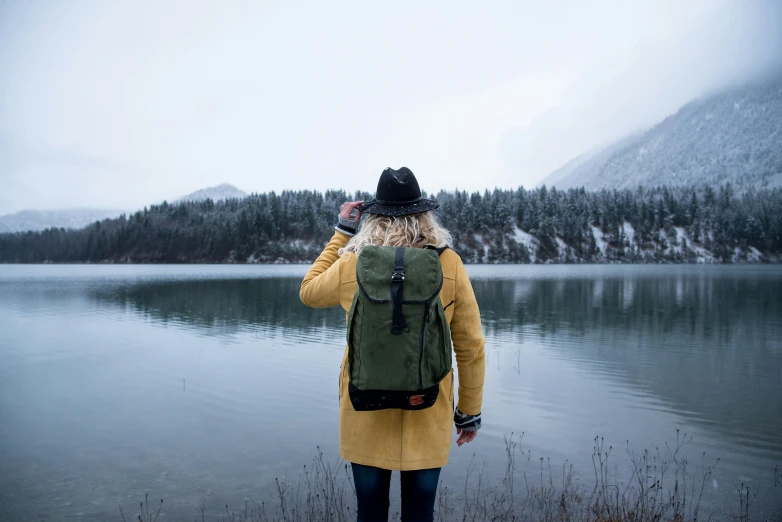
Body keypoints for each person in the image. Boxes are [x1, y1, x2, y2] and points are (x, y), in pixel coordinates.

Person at [299, 167, 486, 522]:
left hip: (364, 410)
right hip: (428, 409)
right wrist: (469, 412)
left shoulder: (353, 264)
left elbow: (308, 291)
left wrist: (341, 234)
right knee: (420, 516)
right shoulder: (449, 263)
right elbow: (471, 346)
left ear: (374, 217)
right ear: (424, 213)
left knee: (369, 514)